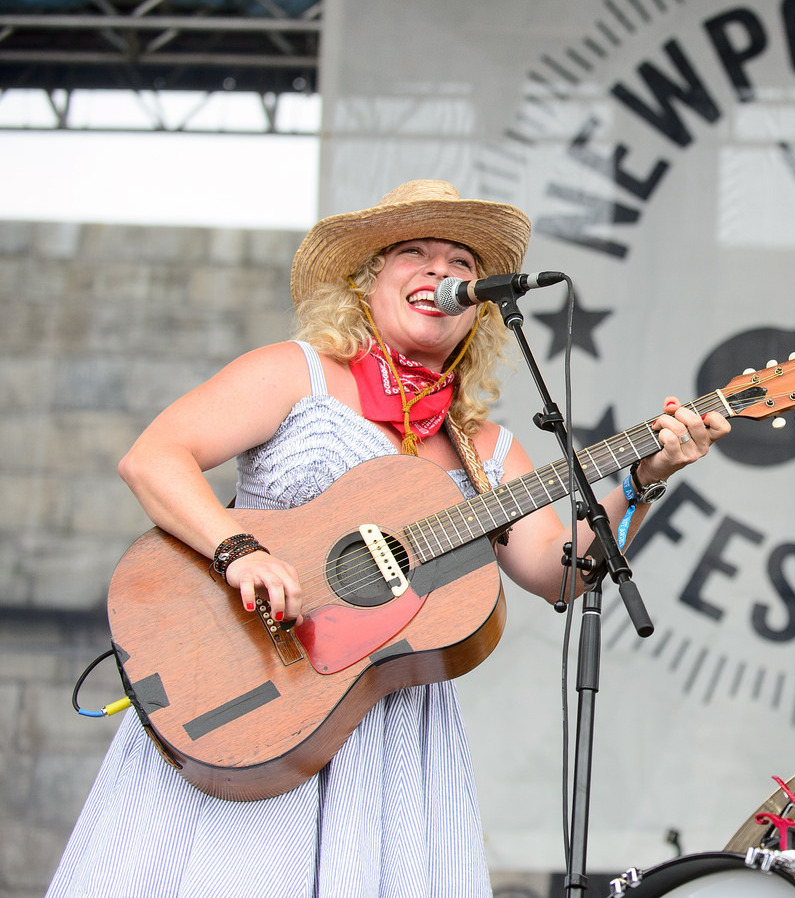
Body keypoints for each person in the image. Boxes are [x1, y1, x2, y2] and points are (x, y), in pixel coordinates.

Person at [48, 180, 730, 897]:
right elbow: (154, 459)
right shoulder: (295, 374)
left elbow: (560, 573)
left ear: (480, 305)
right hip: (244, 683)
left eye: (461, 263)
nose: (441, 272)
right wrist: (238, 550)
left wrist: (644, 478)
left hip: (387, 725)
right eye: (416, 253)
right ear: (368, 279)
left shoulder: (487, 450)